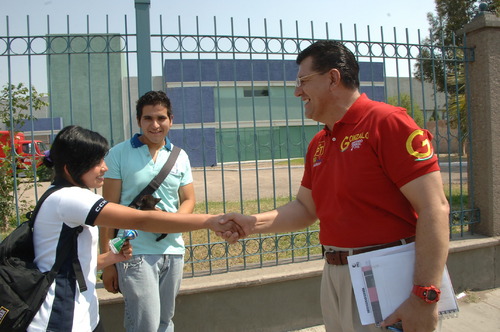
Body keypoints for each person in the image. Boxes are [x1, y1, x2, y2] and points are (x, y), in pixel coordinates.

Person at [220, 40, 450, 332]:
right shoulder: (319, 142)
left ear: (332, 78)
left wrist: (424, 296)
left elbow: (434, 207)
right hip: (335, 277)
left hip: (388, 275)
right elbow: (306, 208)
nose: (297, 91)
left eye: (303, 81)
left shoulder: (388, 123)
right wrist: (252, 223)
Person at [29, 125, 239, 332]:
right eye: (96, 162)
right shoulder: (69, 198)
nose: (105, 167)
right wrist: (210, 221)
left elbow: (70, 262)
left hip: (83, 316)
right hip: (59, 318)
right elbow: (141, 221)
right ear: (70, 167)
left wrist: (108, 260)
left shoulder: (67, 197)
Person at [98, 90, 192, 332]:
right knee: (145, 325)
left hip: (173, 250)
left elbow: (188, 199)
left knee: (164, 322)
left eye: (161, 118)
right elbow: (108, 212)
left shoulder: (180, 157)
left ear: (171, 120)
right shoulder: (118, 154)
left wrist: (173, 224)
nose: (155, 124)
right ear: (139, 121)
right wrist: (108, 263)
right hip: (133, 253)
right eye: (148, 118)